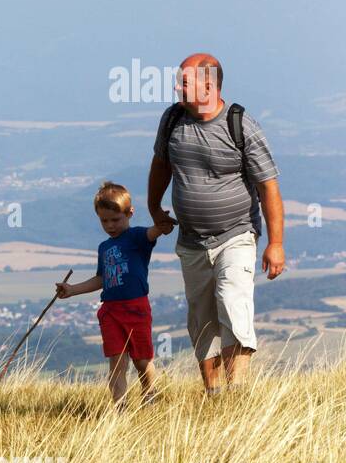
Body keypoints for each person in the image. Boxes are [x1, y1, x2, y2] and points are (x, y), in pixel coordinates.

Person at [147, 53, 284, 395]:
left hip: (236, 234)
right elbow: (161, 164)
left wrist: (276, 243)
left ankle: (236, 393)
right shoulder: (172, 119)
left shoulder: (241, 125)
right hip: (191, 240)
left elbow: (268, 186)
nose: (177, 86)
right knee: (202, 319)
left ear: (208, 85)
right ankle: (214, 394)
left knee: (233, 303)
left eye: (185, 81)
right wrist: (154, 207)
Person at [56, 181, 174, 406]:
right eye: (104, 220)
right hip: (111, 311)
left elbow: (155, 232)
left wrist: (162, 223)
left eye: (115, 219)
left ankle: (150, 397)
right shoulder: (104, 248)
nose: (110, 225)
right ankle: (120, 409)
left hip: (136, 308)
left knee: (142, 361)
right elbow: (102, 279)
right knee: (116, 362)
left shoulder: (137, 237)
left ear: (130, 213)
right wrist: (72, 290)